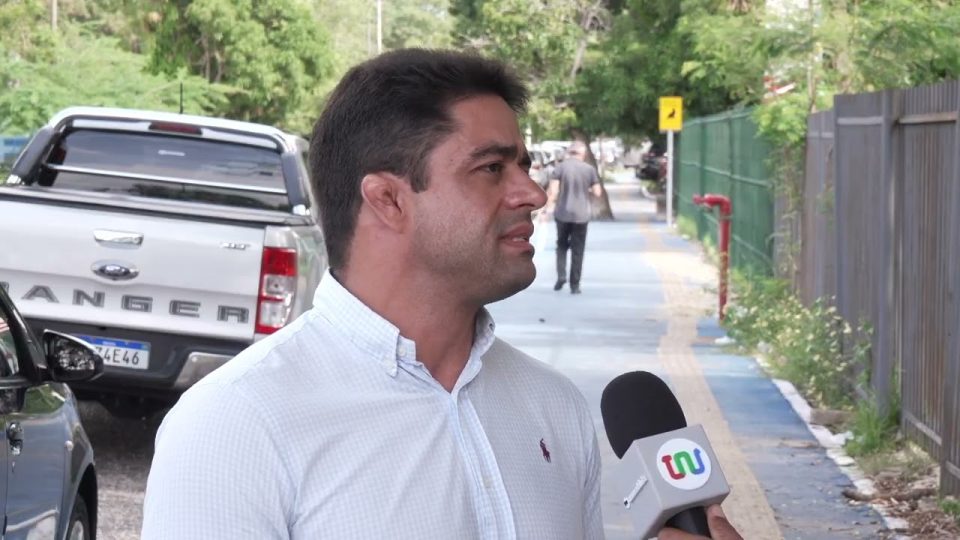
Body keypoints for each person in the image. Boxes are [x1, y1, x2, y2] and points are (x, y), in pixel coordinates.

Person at [140, 48, 741, 540]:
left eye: (524, 166)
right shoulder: (235, 423)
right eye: (492, 169)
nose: (532, 194)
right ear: (388, 200)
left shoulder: (554, 407)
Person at [546, 141, 602, 294]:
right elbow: (597, 192)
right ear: (582, 154)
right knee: (578, 250)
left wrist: (547, 209)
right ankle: (575, 285)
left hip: (562, 213)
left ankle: (561, 276)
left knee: (561, 246)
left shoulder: (560, 168)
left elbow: (553, 192)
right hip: (581, 216)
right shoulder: (589, 169)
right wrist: (587, 192)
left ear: (569, 153)